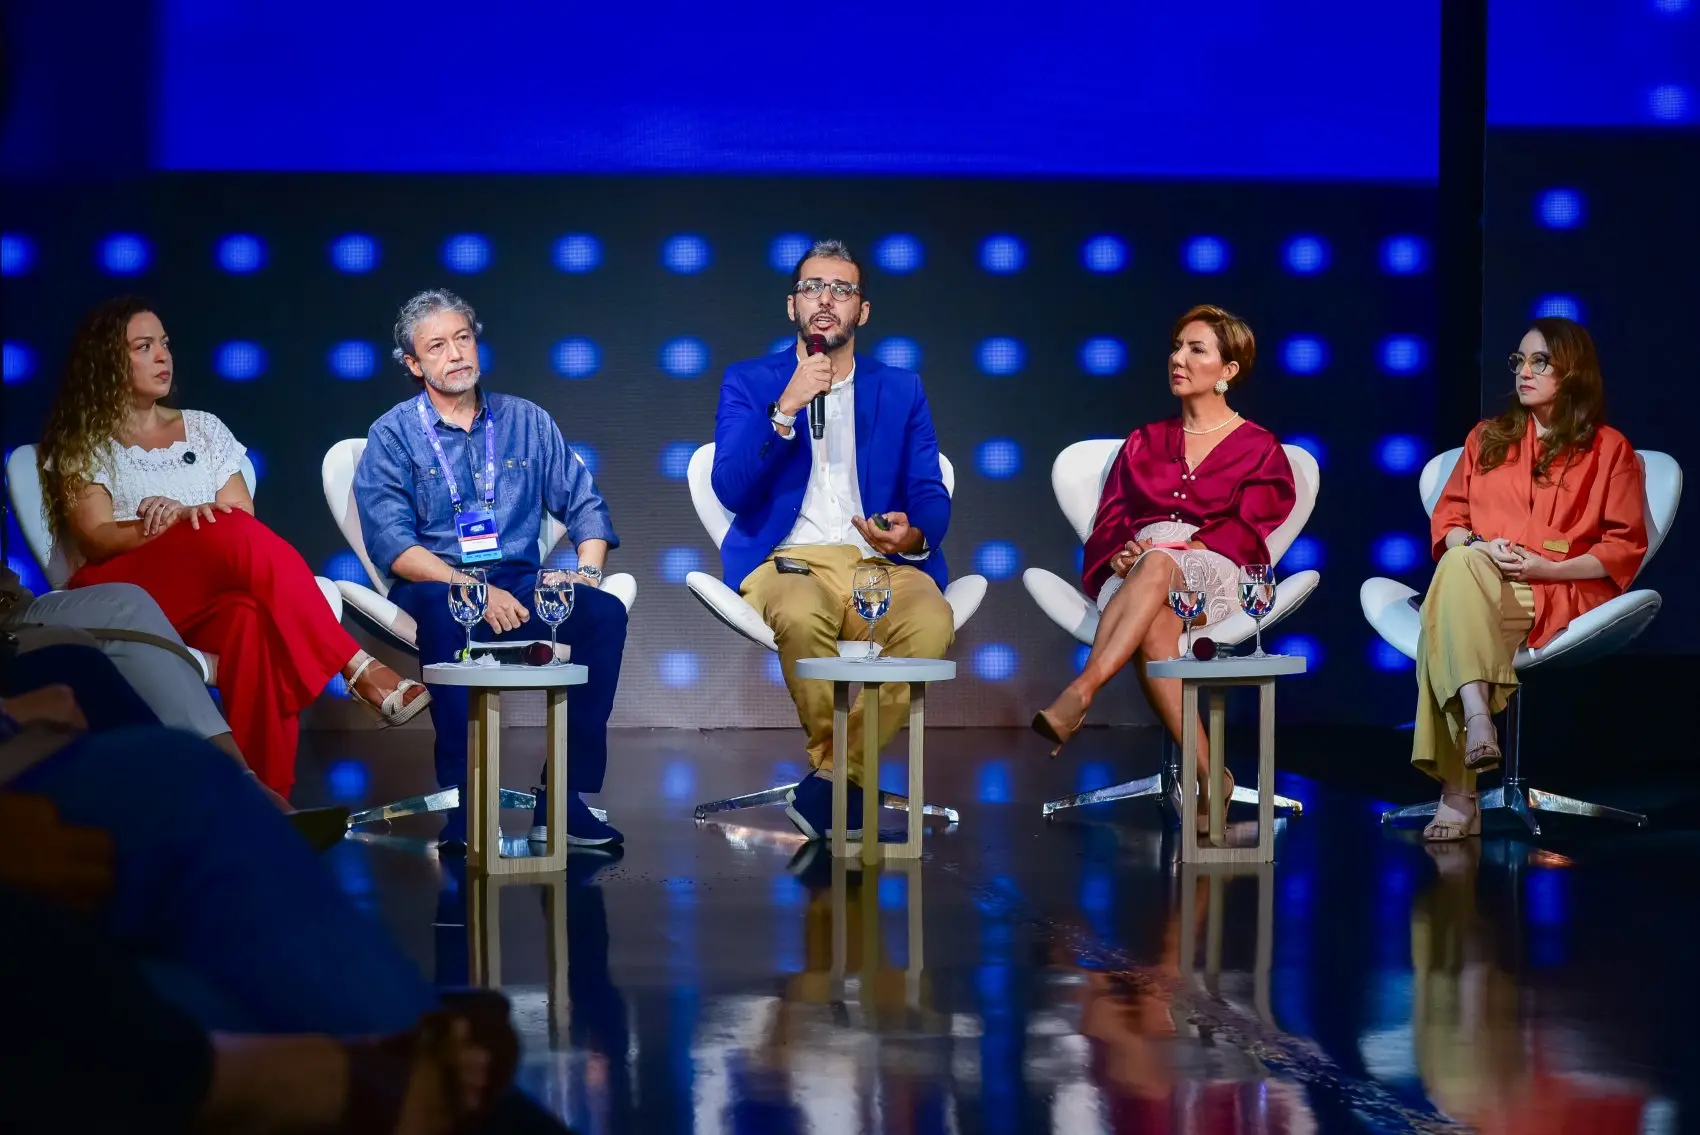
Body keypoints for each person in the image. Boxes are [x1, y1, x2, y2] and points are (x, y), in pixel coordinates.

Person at [34, 295, 429, 797]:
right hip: (124, 590)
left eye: (164, 344)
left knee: (251, 622)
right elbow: (96, 536)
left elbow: (241, 516)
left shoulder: (203, 428)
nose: (162, 356)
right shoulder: (85, 439)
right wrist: (170, 523)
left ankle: (268, 801)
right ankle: (356, 666)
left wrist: (189, 517)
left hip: (209, 592)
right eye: (143, 347)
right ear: (107, 361)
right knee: (222, 529)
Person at [354, 288, 628, 851]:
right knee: (445, 612)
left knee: (603, 615)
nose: (455, 354)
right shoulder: (392, 435)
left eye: (462, 338)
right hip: (435, 583)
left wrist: (586, 574)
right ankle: (464, 802)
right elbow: (395, 547)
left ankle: (564, 800)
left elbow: (587, 508)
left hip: (520, 582)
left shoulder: (527, 421)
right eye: (436, 346)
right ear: (414, 364)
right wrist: (468, 588)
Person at [711, 240, 954, 841]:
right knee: (799, 614)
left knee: (931, 622)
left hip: (878, 562)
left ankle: (829, 782)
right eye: (813, 288)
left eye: (841, 290)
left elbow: (929, 490)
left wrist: (912, 532)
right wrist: (785, 408)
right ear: (792, 305)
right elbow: (730, 487)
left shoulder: (900, 389)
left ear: (861, 312)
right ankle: (842, 778)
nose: (826, 299)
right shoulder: (750, 380)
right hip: (787, 561)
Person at [1031, 305, 1296, 824]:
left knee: (1157, 565)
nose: (1178, 359)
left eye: (1196, 349)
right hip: (1136, 575)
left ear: (1228, 370)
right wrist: (1120, 551)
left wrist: (1183, 549)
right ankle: (1212, 777)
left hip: (1212, 567)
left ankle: (1081, 691)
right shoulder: (1144, 441)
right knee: (1155, 619)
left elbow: (1253, 523)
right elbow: (1110, 518)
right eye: (1176, 347)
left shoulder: (1260, 448)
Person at [1411, 317, 1646, 842]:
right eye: (1519, 360)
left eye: (1541, 362)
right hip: (1480, 577)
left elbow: (1622, 546)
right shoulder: (1487, 438)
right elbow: (1449, 523)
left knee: (1439, 621)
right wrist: (1478, 546)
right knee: (1458, 567)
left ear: (1573, 372)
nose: (1524, 372)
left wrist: (1549, 568)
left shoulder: (1609, 449)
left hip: (1556, 588)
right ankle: (1478, 716)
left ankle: (1458, 794)